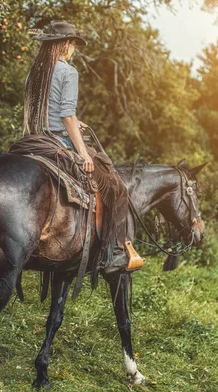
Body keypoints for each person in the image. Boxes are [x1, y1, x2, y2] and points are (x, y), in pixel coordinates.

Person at [23, 21, 143, 273]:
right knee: (115, 185)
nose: (73, 50)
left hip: (33, 139)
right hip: (58, 139)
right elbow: (66, 117)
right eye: (73, 45)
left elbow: (46, 112)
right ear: (65, 44)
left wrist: (76, 121)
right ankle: (114, 253)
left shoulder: (35, 72)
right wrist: (82, 152)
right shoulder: (68, 72)